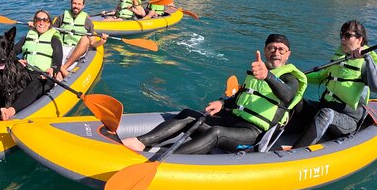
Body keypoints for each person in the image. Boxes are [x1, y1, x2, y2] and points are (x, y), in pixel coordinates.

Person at [122, 34, 307, 154]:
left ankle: (168, 158)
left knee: (215, 132)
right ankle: (140, 142)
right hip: (232, 121)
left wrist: (268, 77)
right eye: (271, 48)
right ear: (265, 50)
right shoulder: (256, 72)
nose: (276, 52)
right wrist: (222, 103)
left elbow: (287, 96)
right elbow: (240, 97)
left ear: (288, 55)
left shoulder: (291, 78)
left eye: (281, 49)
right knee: (188, 114)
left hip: (252, 133)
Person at [0, 10, 63, 121]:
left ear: (49, 23)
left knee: (36, 85)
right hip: (26, 73)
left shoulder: (54, 39)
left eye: (44, 20)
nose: (41, 23)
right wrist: (17, 60)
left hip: (43, 76)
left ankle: (10, 111)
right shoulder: (27, 38)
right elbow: (11, 53)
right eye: (38, 20)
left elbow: (58, 59)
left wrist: (53, 69)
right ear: (34, 22)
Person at [291, 20, 377, 148]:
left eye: (348, 36)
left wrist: (368, 58)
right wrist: (295, 76)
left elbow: (375, 87)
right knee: (295, 100)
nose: (343, 39)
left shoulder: (365, 63)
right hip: (324, 107)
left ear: (360, 39)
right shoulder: (339, 57)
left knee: (326, 114)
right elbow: (320, 77)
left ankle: (294, 155)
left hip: (347, 120)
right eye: (341, 35)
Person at [52, 0, 108, 78]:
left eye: (79, 4)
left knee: (85, 39)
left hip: (76, 50)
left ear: (83, 6)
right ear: (71, 3)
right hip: (61, 49)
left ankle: (63, 68)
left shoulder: (88, 22)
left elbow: (92, 43)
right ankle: (60, 71)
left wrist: (101, 41)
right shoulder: (61, 18)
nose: (76, 6)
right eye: (74, 3)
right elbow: (50, 33)